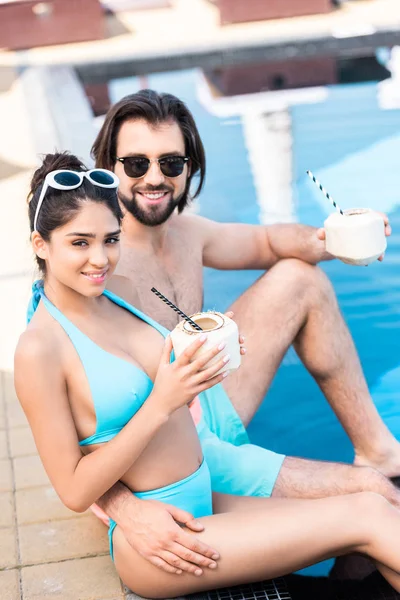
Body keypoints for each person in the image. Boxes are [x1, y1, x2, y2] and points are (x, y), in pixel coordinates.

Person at [14, 152, 400, 598]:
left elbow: (150, 374)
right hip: (163, 534)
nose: (100, 259)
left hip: (207, 486)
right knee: (366, 520)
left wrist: (204, 356)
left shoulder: (116, 292)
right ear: (41, 245)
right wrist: (163, 402)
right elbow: (74, 489)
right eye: (79, 243)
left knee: (372, 502)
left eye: (111, 239)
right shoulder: (38, 350)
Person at [88, 89, 400, 575]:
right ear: (109, 168)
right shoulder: (95, 265)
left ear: (189, 166)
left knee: (300, 277)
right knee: (373, 501)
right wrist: (126, 509)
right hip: (167, 455)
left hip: (205, 399)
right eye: (135, 164)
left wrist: (335, 238)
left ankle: (377, 449)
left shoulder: (187, 233)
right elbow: (71, 426)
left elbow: (267, 240)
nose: (155, 178)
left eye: (171, 162)